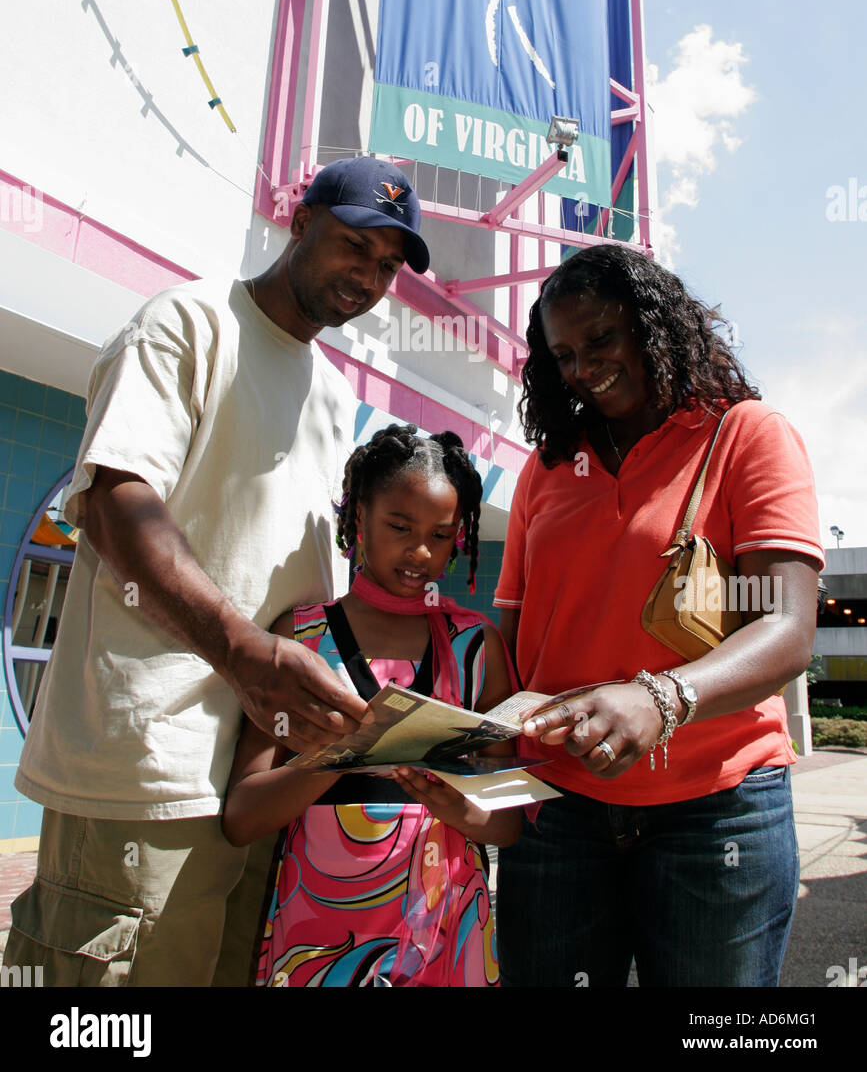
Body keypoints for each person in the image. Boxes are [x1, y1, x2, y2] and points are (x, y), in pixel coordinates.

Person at [4, 158, 431, 987]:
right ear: (299, 221)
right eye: (353, 246)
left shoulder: (332, 392)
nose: (369, 278)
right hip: (148, 767)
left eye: (386, 266)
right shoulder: (187, 324)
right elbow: (115, 502)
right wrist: (241, 652)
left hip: (261, 777)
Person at [492, 244, 823, 988]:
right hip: (558, 808)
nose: (582, 368)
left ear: (655, 325)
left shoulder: (745, 434)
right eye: (564, 353)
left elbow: (787, 627)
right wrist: (479, 740)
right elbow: (510, 638)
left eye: (601, 339)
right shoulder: (545, 469)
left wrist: (660, 697)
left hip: (718, 813)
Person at [223, 425, 521, 987]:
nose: (420, 552)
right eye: (400, 527)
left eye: (441, 535)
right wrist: (342, 754)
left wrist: (456, 808)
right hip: (320, 936)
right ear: (359, 515)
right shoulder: (301, 638)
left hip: (447, 930)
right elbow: (242, 818)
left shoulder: (477, 646)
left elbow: (505, 823)